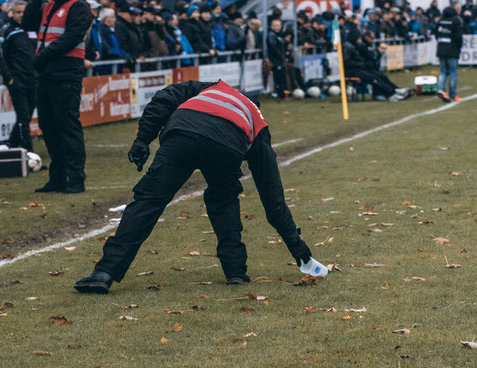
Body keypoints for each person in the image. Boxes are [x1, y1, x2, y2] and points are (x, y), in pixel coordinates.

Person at [74, 80, 314, 293]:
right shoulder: (256, 120)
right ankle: (236, 272)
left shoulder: (212, 87)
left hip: (183, 131)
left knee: (148, 201)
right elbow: (272, 196)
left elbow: (164, 97)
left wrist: (142, 140)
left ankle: (104, 272)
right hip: (227, 145)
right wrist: (297, 246)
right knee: (224, 201)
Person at [22, 0, 91, 194]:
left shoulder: (78, 6)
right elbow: (27, 23)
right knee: (49, 127)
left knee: (67, 126)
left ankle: (76, 178)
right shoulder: (48, 6)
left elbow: (72, 37)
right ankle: (58, 177)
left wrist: (41, 57)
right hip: (46, 73)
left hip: (66, 71)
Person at [0, 0, 35, 151]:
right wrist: (9, 77)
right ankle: (27, 151)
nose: (21, 15)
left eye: (24, 12)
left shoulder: (32, 29)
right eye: (18, 12)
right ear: (12, 13)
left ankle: (12, 142)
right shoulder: (6, 29)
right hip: (16, 79)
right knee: (23, 115)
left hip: (33, 78)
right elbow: (0, 56)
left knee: (28, 113)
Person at [435, 1, 463, 103]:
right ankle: (452, 95)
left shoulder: (441, 20)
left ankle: (441, 90)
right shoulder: (456, 20)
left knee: (443, 72)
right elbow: (459, 36)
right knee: (453, 73)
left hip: (441, 49)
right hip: (452, 50)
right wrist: (459, 48)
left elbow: (436, 33)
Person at [267, 18, 286, 100]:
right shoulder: (271, 35)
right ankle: (280, 94)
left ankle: (282, 94)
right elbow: (273, 48)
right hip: (275, 60)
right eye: (274, 25)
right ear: (271, 26)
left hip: (280, 60)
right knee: (277, 77)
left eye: (278, 25)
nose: (276, 27)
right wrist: (280, 56)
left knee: (281, 77)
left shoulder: (279, 35)